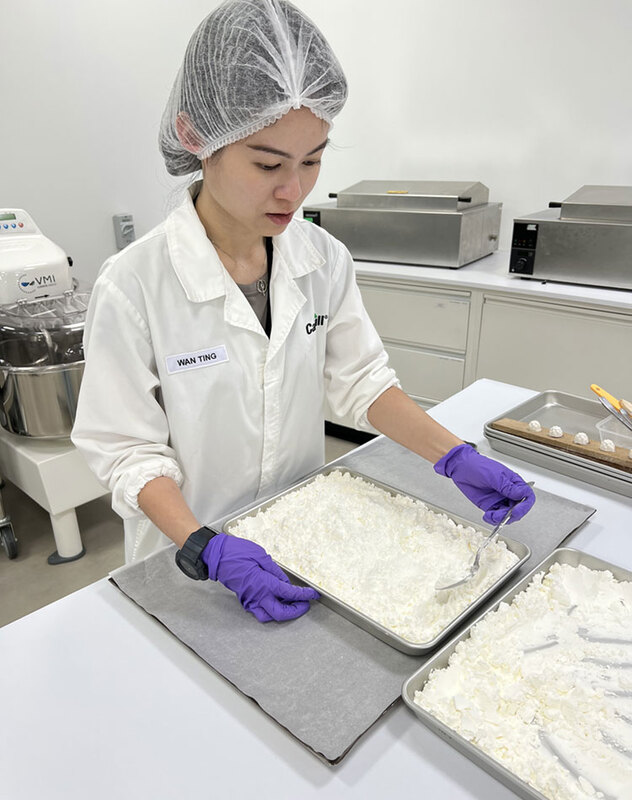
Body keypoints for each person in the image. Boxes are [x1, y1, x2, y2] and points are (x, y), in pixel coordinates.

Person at [72, 0, 535, 624]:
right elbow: (127, 449)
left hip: (303, 538)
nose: (293, 190)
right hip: (190, 563)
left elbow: (362, 380)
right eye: (267, 164)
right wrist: (206, 546)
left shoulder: (322, 258)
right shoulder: (134, 285)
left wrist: (453, 456)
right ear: (195, 138)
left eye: (312, 160)